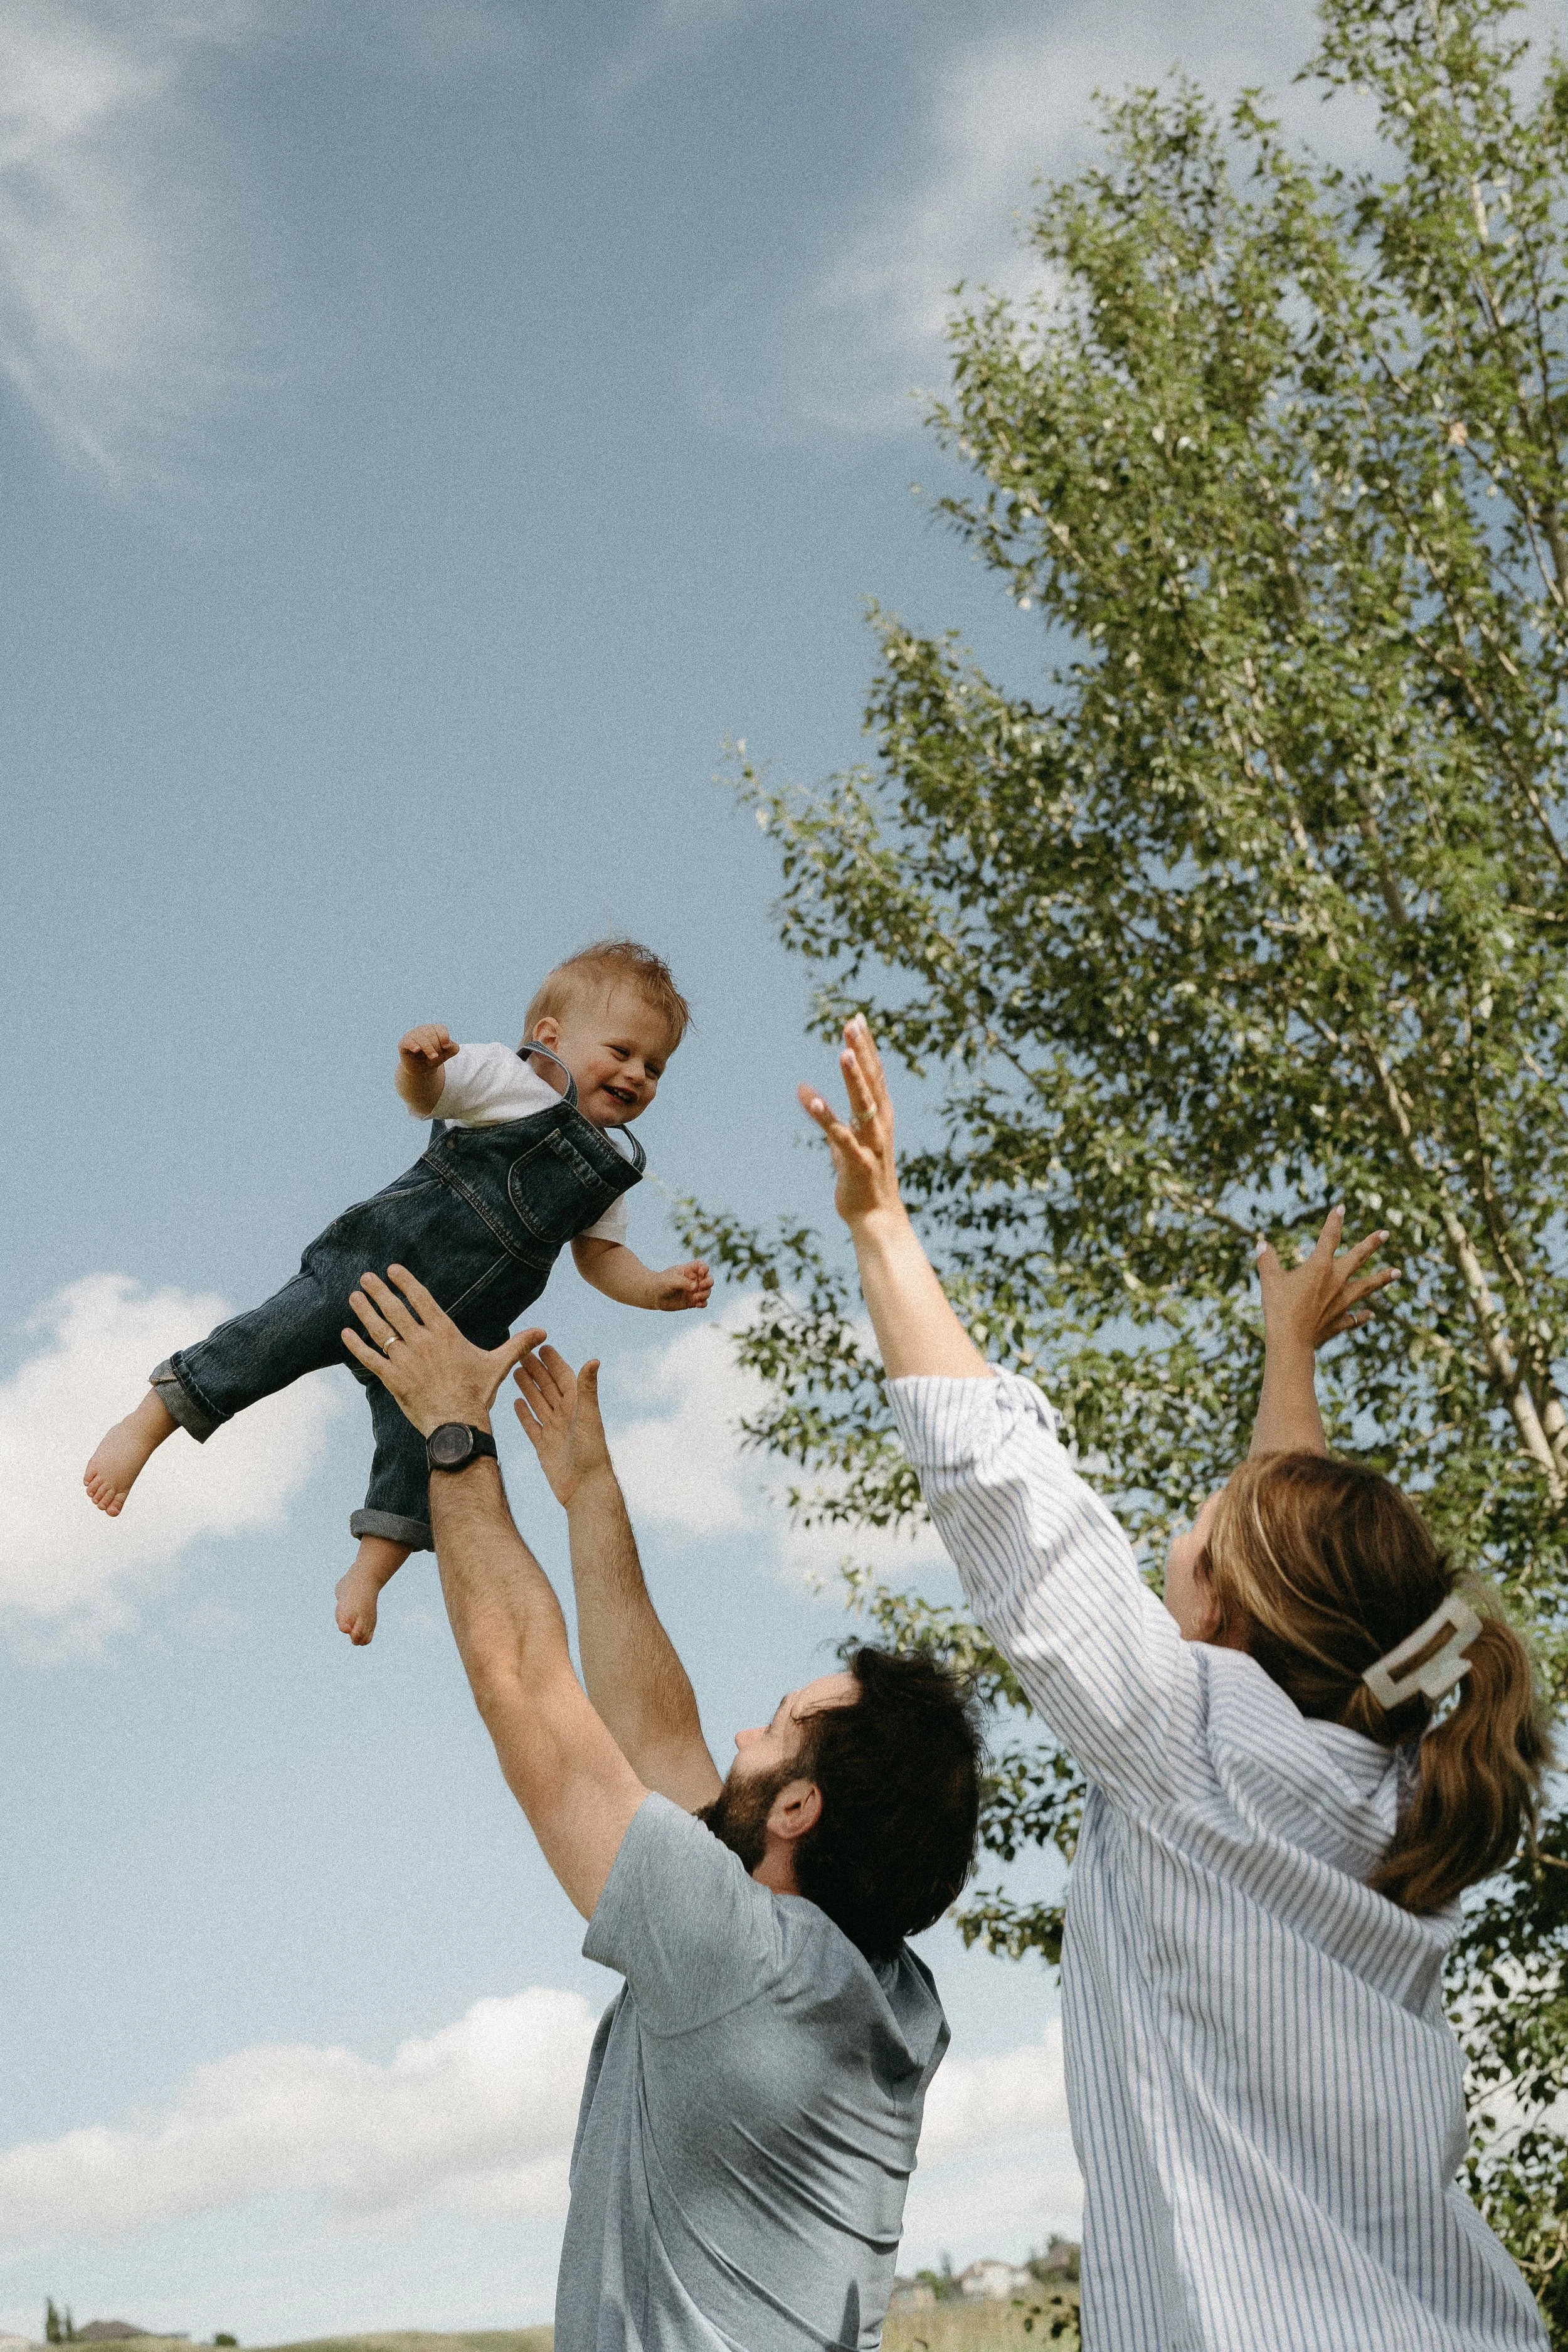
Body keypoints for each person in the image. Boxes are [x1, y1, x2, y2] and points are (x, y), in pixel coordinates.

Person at [800, 1015, 1552, 2352]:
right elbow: (1305, 1583)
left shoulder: (1184, 1743)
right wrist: (1289, 1362)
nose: (1178, 1530)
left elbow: (1008, 1495)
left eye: (1197, 1524)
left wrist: (883, 1231)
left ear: (1229, 1604)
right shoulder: (1385, 1774)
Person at [336, 1256, 982, 2351]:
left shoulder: (740, 1961)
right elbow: (663, 1741)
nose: (740, 1737)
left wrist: (452, 1430)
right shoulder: (885, 1993)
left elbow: (525, 1684)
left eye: (774, 1730)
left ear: (797, 1813)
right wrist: (593, 1497)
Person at [82, 939, 712, 1643]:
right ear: (551, 1039)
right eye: (623, 1051)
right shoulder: (507, 1079)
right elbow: (430, 1098)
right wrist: (418, 1067)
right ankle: (145, 1426)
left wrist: (654, 1288)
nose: (637, 1075)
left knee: (427, 1448)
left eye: (654, 1067)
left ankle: (370, 1568)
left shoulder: (603, 1172)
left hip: (442, 1344)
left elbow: (600, 1259)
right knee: (263, 1343)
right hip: (372, 1272)